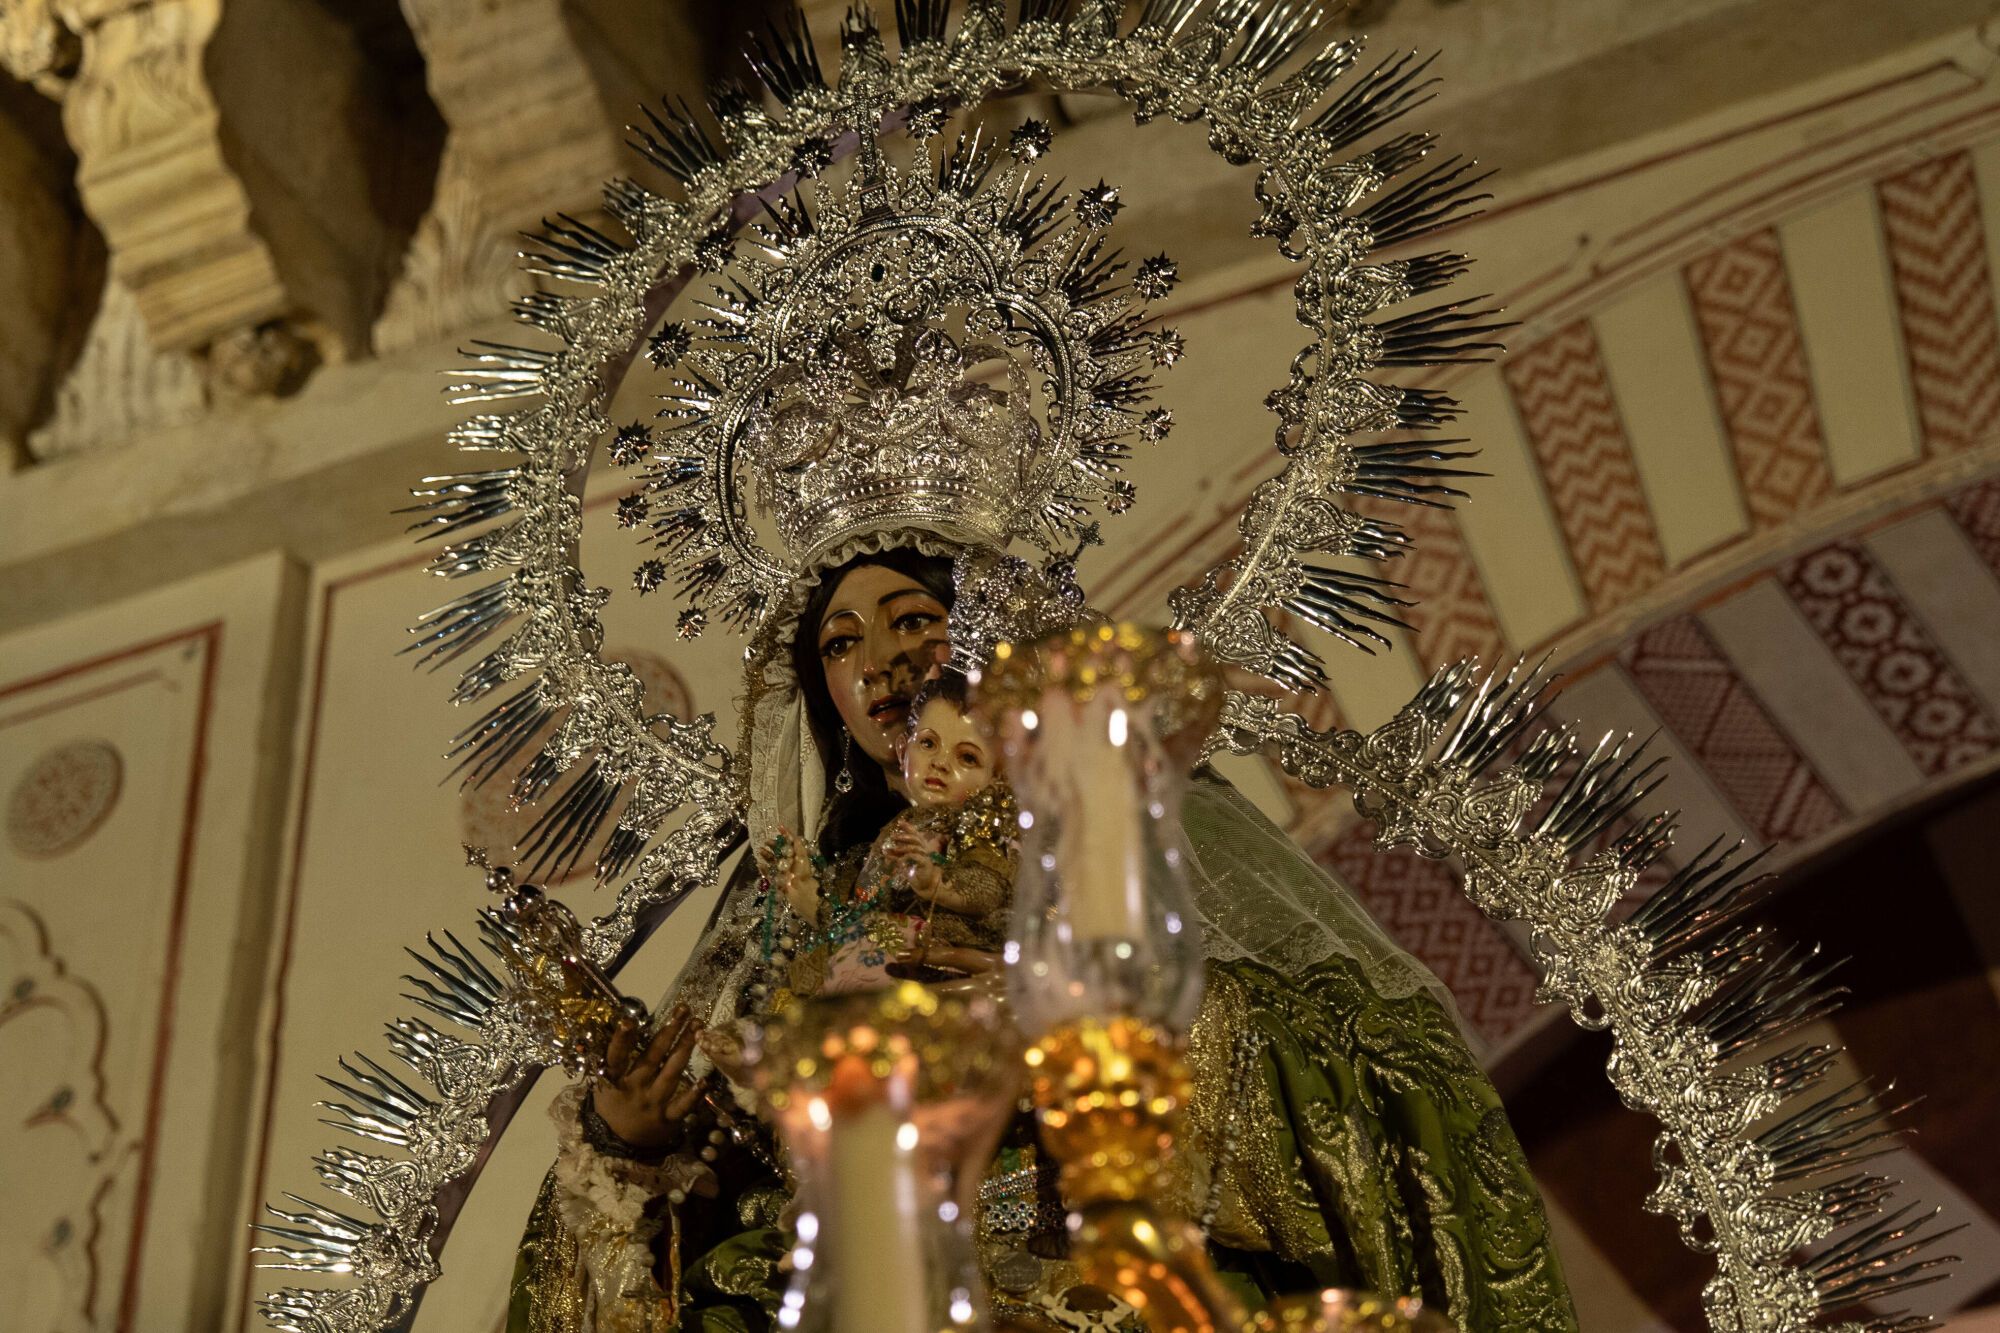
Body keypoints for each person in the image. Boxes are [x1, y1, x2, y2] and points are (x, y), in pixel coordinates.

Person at [509, 543, 1579, 1333]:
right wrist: (629, 1135)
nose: (880, 662)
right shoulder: (791, 905)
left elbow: (1386, 1074)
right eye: (841, 642)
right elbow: (731, 1172)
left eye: (912, 620)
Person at [754, 668, 1018, 998]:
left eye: (966, 757)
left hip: (932, 968)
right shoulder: (896, 828)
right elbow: (864, 913)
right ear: (904, 751)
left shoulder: (982, 828)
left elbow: (990, 885)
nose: (940, 762)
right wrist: (806, 889)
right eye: (928, 743)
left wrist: (936, 883)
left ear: (998, 779)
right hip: (871, 967)